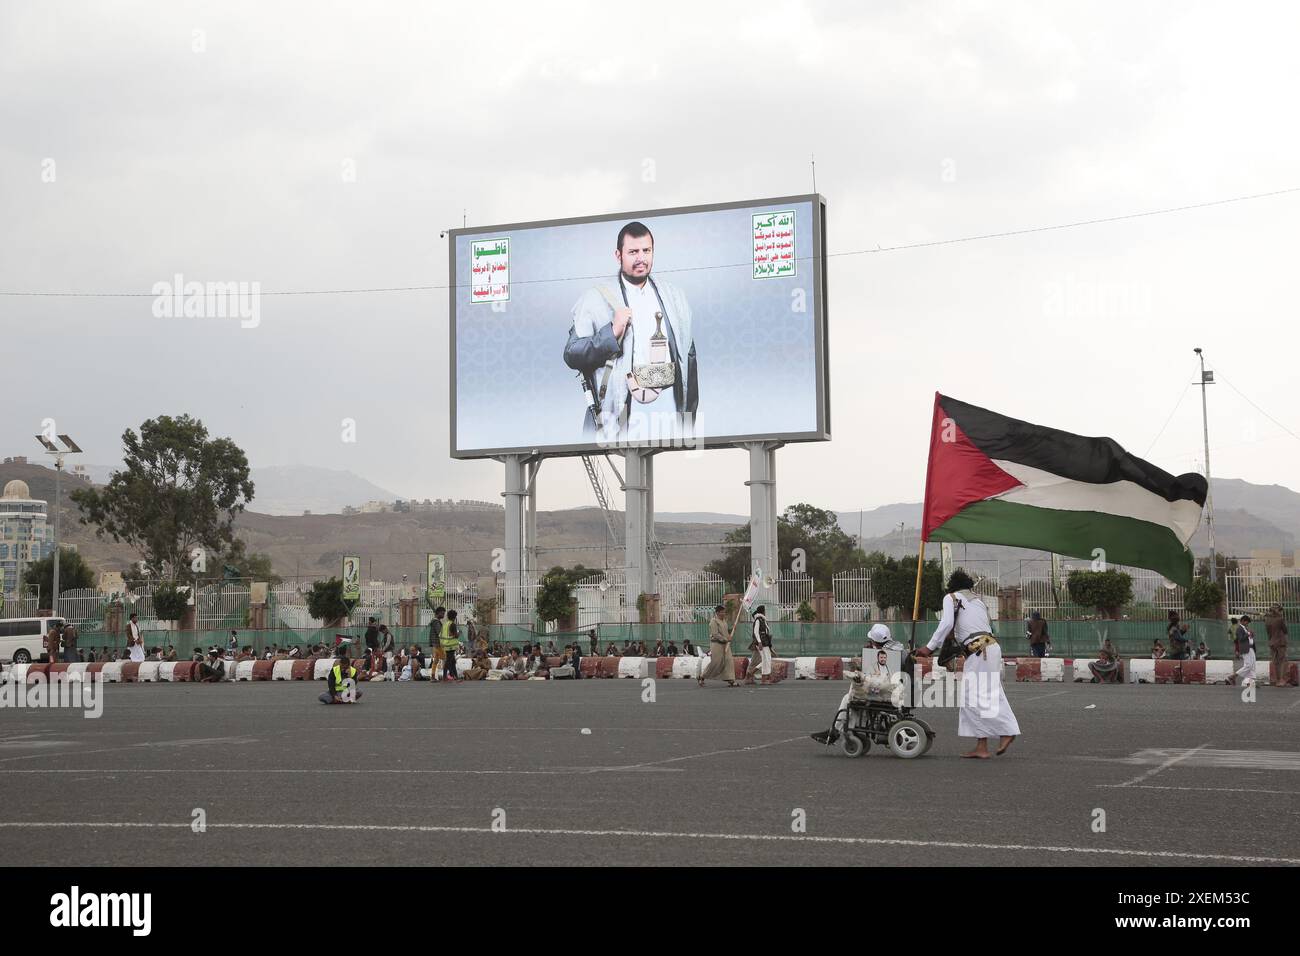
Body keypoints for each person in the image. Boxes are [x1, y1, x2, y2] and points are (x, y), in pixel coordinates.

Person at [563, 220, 698, 442]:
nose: (641, 258)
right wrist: (611, 333)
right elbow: (572, 354)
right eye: (633, 252)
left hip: (668, 414)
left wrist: (689, 427)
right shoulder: (595, 298)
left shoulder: (675, 297)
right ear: (618, 255)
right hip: (620, 417)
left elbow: (689, 360)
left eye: (646, 251)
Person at [914, 571, 1020, 758]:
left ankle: (1007, 731)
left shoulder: (951, 598)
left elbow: (946, 624)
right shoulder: (977, 601)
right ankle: (982, 746)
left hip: (980, 651)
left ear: (952, 586)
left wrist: (929, 647)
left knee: (978, 696)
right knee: (979, 695)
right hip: (989, 648)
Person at [698, 605, 736, 687]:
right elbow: (715, 634)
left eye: (724, 612)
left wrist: (731, 631)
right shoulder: (713, 621)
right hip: (716, 644)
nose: (724, 613)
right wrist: (725, 639)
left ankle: (731, 680)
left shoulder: (724, 621)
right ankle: (702, 676)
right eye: (722, 612)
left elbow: (725, 632)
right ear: (717, 612)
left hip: (725, 644)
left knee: (729, 660)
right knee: (716, 662)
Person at [1265, 603, 1292, 687]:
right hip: (1280, 642)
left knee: (1275, 662)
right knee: (1283, 661)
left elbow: (1268, 632)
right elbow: (1285, 630)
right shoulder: (1280, 619)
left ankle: (1277, 680)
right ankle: (1282, 680)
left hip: (1272, 642)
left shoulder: (1267, 619)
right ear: (1278, 611)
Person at [751, 605, 774, 685]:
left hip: (766, 642)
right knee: (765, 660)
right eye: (764, 610)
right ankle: (764, 679)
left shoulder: (763, 620)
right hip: (762, 642)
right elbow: (756, 632)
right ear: (762, 611)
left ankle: (755, 674)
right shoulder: (758, 620)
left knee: (767, 659)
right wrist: (759, 642)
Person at [1234, 614, 1257, 686]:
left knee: (1253, 665)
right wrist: (1247, 634)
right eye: (1247, 622)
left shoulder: (1246, 628)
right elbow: (1240, 639)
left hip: (1251, 648)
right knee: (1248, 665)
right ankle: (1234, 676)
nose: (1248, 624)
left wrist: (1251, 635)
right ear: (1243, 621)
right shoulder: (1239, 629)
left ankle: (1250, 682)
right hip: (1245, 649)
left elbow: (1248, 638)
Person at [440, 610, 462, 681]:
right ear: (454, 617)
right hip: (451, 645)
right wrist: (459, 633)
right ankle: (444, 676)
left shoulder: (445, 624)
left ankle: (455, 676)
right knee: (449, 661)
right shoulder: (452, 624)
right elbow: (455, 635)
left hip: (445, 644)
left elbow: (443, 634)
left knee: (452, 661)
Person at [428, 607, 447, 680]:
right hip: (438, 644)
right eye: (442, 613)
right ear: (438, 613)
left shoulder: (434, 621)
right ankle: (445, 676)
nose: (443, 615)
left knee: (436, 660)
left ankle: (433, 676)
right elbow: (440, 632)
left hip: (435, 644)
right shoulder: (436, 622)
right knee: (446, 659)